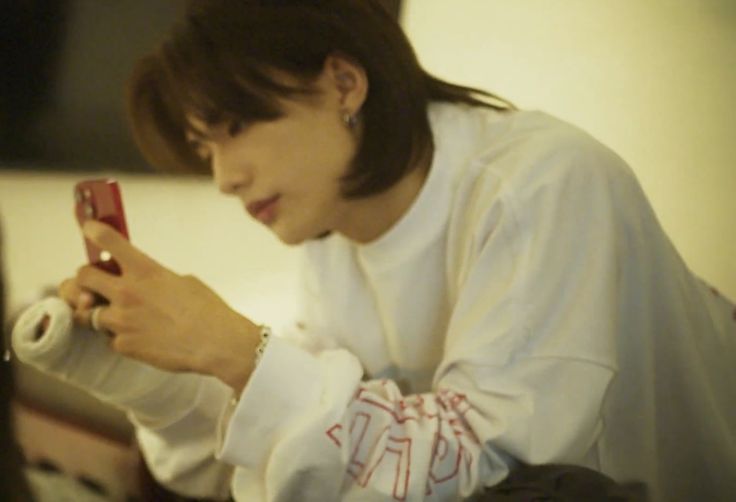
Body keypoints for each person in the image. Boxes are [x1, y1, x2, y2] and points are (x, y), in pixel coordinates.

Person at [10, 0, 735, 501]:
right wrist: (149, 371)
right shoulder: (336, 233)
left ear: (343, 83)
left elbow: (489, 474)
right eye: (204, 148)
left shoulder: (539, 185)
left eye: (235, 126)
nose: (224, 177)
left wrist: (237, 347)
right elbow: (315, 455)